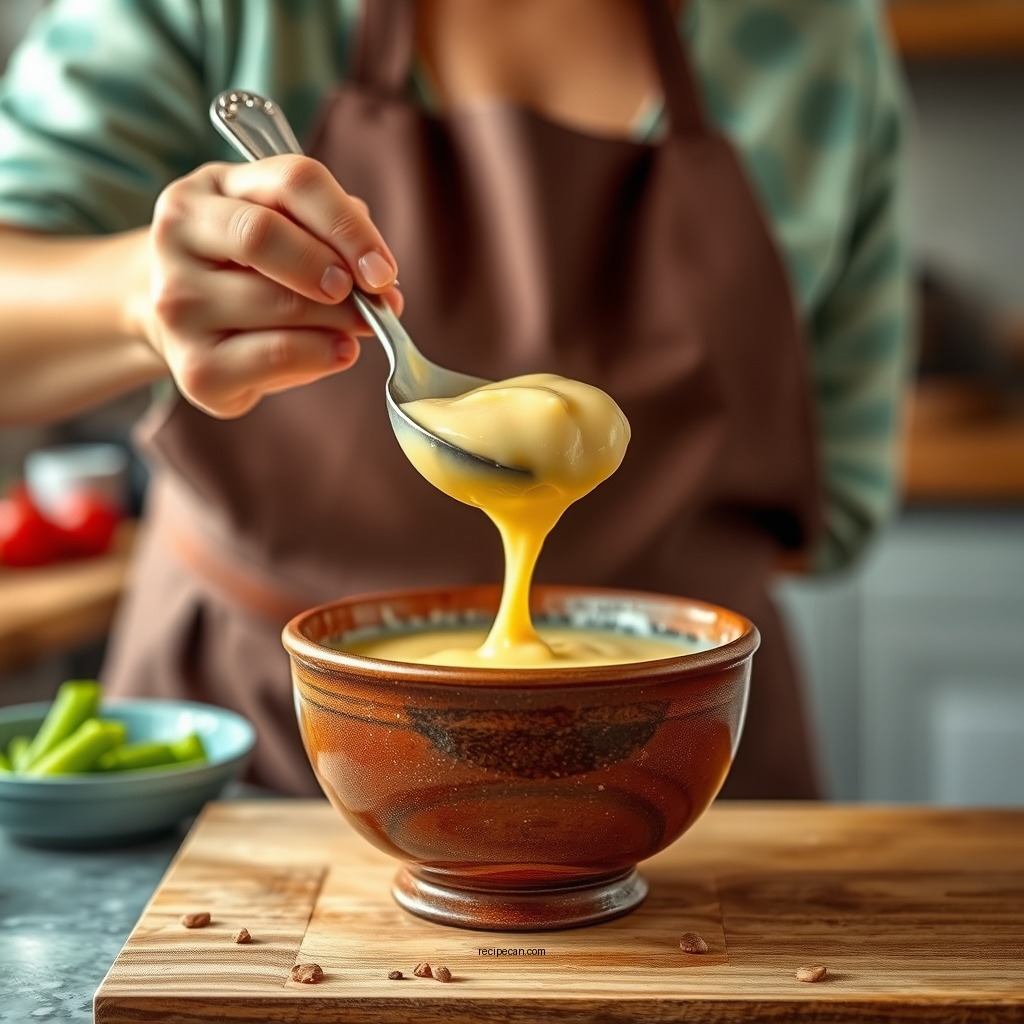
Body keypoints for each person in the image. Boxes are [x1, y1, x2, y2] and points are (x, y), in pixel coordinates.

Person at [0, 0, 912, 798]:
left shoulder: (820, 28)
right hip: (257, 744)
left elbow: (841, 490)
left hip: (683, 776)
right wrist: (135, 291)